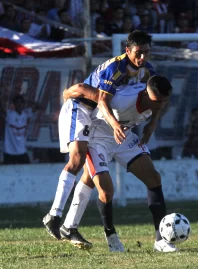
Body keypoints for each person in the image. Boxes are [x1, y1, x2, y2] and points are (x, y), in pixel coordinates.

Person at [43, 30, 155, 242]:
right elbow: (91, 93)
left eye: (146, 53)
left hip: (99, 120)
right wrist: (114, 124)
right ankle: (54, 215)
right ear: (127, 50)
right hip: (80, 109)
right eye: (138, 53)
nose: (142, 57)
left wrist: (150, 126)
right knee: (77, 158)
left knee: (90, 176)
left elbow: (159, 97)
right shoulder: (115, 69)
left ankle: (70, 227)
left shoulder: (147, 71)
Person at [60, 75, 177, 252]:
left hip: (123, 137)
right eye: (157, 101)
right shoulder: (123, 100)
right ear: (146, 93)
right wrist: (68, 93)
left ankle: (160, 240)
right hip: (96, 139)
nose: (160, 105)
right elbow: (92, 93)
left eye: (164, 101)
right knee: (106, 191)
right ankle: (111, 236)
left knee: (153, 178)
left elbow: (158, 103)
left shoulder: (155, 99)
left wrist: (152, 123)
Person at [0, 95, 35, 164]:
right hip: (9, 151)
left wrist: (28, 100)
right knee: (8, 173)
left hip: (21, 151)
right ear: (14, 104)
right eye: (17, 103)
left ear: (23, 104)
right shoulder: (9, 114)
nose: (19, 105)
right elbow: (1, 108)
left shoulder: (26, 113)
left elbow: (40, 106)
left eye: (21, 102)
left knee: (27, 170)